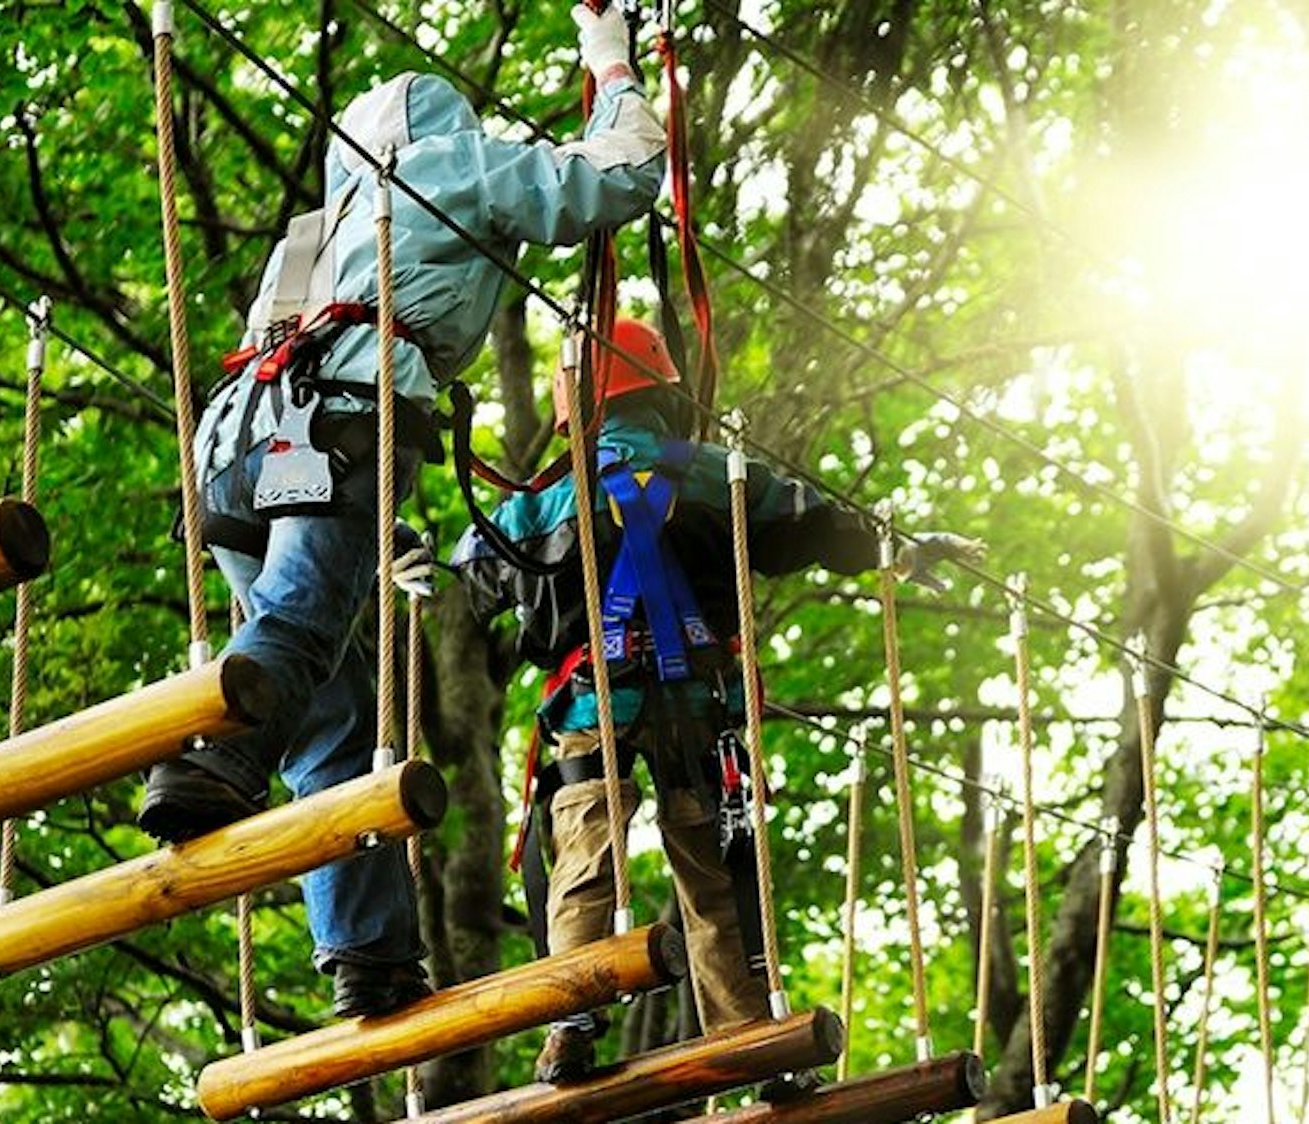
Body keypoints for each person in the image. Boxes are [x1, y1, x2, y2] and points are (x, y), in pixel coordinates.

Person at [136, 6, 668, 1020]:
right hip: (339, 420)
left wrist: (377, 530)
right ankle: (214, 754)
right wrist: (609, 57)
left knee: (332, 715)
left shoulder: (315, 230)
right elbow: (623, 172)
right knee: (299, 618)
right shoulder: (450, 168)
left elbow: (297, 379)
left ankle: (366, 954)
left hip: (233, 453)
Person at [450, 319, 984, 1082]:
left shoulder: (541, 506)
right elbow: (817, 526)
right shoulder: (722, 474)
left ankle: (571, 1018)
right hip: (700, 709)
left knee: (583, 859)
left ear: (577, 411)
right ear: (666, 396)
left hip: (590, 709)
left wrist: (407, 557)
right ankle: (749, 1039)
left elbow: (475, 572)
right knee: (717, 882)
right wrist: (896, 546)